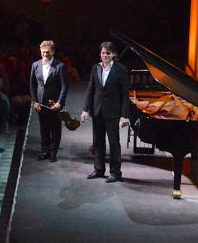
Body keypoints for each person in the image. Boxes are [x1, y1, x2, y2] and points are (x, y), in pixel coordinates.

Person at [81, 41, 131, 182]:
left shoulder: (121, 70)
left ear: (113, 54)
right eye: (103, 53)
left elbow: (125, 94)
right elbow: (90, 90)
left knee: (114, 143)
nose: (105, 56)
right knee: (98, 142)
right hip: (97, 111)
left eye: (108, 53)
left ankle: (115, 173)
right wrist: (86, 109)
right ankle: (99, 170)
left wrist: (124, 115)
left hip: (113, 113)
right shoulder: (95, 68)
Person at [29, 40, 69, 162]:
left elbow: (65, 86)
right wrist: (35, 101)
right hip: (41, 103)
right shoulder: (35, 65)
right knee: (43, 128)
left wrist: (60, 103)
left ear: (53, 51)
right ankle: (44, 151)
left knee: (55, 128)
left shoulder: (60, 66)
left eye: (47, 52)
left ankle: (53, 153)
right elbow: (32, 84)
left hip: (55, 103)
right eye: (43, 52)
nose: (45, 54)